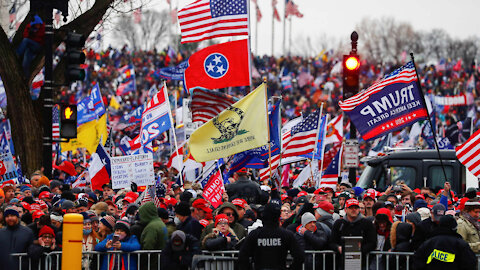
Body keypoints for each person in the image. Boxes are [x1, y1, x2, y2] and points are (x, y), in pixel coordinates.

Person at [239, 202, 305, 270]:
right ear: (278, 216)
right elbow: (300, 256)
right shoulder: (286, 235)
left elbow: (242, 257)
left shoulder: (255, 234)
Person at [330, 198, 376, 269]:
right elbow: (332, 242)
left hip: (362, 263)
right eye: (351, 208)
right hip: (342, 263)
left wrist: (360, 249)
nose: (354, 210)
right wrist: (338, 248)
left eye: (356, 208)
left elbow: (373, 242)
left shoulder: (367, 223)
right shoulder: (339, 224)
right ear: (346, 209)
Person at [137, 202, 168, 269]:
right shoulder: (160, 223)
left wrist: (142, 261)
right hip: (159, 262)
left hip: (153, 263)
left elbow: (148, 246)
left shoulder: (152, 227)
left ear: (147, 214)